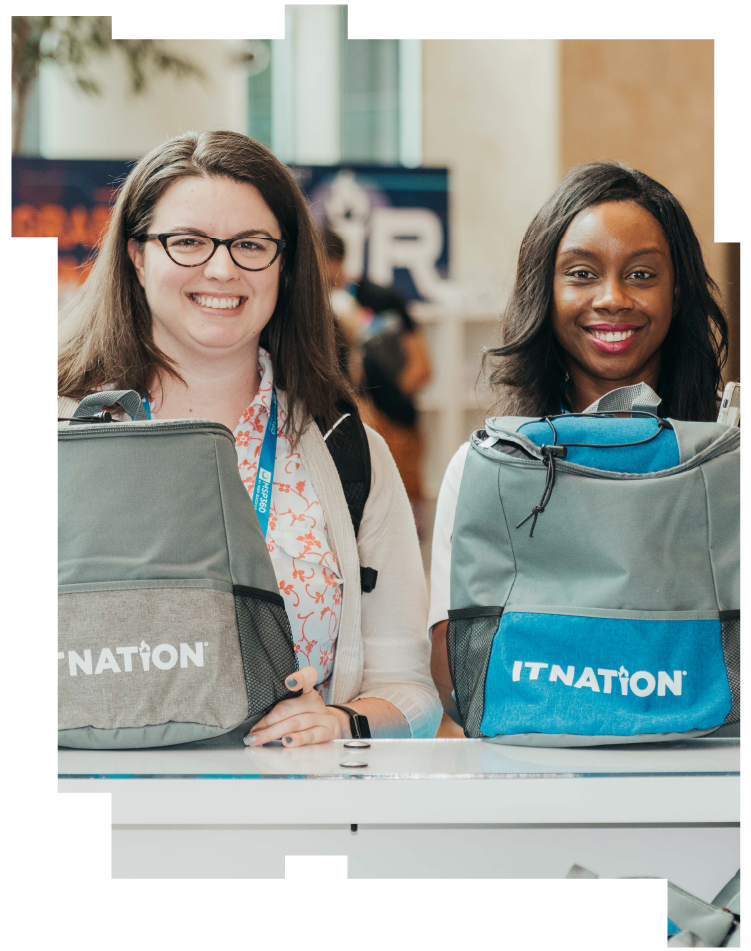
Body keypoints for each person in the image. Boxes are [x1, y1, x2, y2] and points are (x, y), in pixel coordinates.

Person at [57, 130, 442, 745]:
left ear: (285, 264)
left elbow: (413, 690)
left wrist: (345, 721)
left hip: (291, 818)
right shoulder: (50, 439)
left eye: (251, 245)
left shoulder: (349, 453)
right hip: (95, 815)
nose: (221, 267)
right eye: (186, 241)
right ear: (135, 254)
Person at [428, 161, 729, 721]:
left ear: (678, 291)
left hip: (714, 779)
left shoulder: (731, 466)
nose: (613, 298)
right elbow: (456, 678)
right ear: (544, 289)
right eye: (582, 273)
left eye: (642, 274)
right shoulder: (485, 469)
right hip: (540, 782)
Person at [319, 225, 433, 530]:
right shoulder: (309, 309)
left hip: (394, 421)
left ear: (336, 261)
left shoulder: (381, 299)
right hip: (338, 425)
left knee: (405, 524)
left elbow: (422, 365)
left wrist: (384, 408)